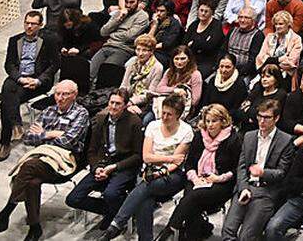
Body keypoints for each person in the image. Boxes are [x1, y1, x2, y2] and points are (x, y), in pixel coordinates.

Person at [0, 81, 89, 241]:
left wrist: (43, 134)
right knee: (32, 182)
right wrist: (51, 134)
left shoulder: (81, 113)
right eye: (57, 94)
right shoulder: (49, 110)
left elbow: (68, 142)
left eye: (65, 94)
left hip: (65, 160)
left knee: (28, 167)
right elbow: (28, 138)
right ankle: (35, 228)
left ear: (74, 95)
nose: (60, 98)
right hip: (43, 156)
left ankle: (4, 215)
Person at [96, 95, 192, 241]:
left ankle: (115, 226)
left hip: (172, 175)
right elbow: (146, 156)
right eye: (163, 112)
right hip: (149, 172)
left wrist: (162, 168)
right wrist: (169, 158)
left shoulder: (186, 131)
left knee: (146, 186)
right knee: (145, 198)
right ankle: (143, 238)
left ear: (178, 116)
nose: (164, 117)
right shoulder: (153, 126)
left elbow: (176, 164)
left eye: (169, 114)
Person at [64, 89, 142, 231]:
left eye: (118, 104)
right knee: (73, 199)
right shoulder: (101, 119)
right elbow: (92, 150)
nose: (113, 106)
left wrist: (115, 167)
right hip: (103, 163)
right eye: (111, 102)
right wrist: (96, 168)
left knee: (110, 194)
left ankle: (117, 214)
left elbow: (138, 156)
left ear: (125, 105)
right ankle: (114, 212)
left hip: (124, 166)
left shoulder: (134, 122)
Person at [220, 99, 296, 241]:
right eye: (259, 116)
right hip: (246, 188)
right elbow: (241, 167)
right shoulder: (249, 137)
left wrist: (263, 172)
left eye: (266, 117)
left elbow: (282, 173)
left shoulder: (285, 141)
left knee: (246, 237)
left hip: (266, 193)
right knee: (227, 232)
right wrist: (243, 188)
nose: (261, 121)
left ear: (277, 118)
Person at [162, 104, 240, 240]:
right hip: (196, 178)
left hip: (220, 183)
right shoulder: (199, 136)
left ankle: (171, 229)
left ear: (223, 121)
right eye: (207, 121)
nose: (210, 125)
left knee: (192, 197)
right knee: (192, 201)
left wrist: (218, 178)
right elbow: (190, 163)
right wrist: (195, 178)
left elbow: (237, 169)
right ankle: (197, 232)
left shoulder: (233, 139)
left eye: (214, 121)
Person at [0, 11, 60, 163]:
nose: (29, 26)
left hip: (37, 81)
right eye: (27, 23)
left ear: (40, 25)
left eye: (33, 24)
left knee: (6, 101)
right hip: (19, 78)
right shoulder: (14, 40)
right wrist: (19, 78)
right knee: (8, 89)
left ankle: (5, 142)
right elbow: (9, 64)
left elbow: (55, 65)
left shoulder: (49, 41)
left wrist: (38, 81)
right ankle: (16, 124)